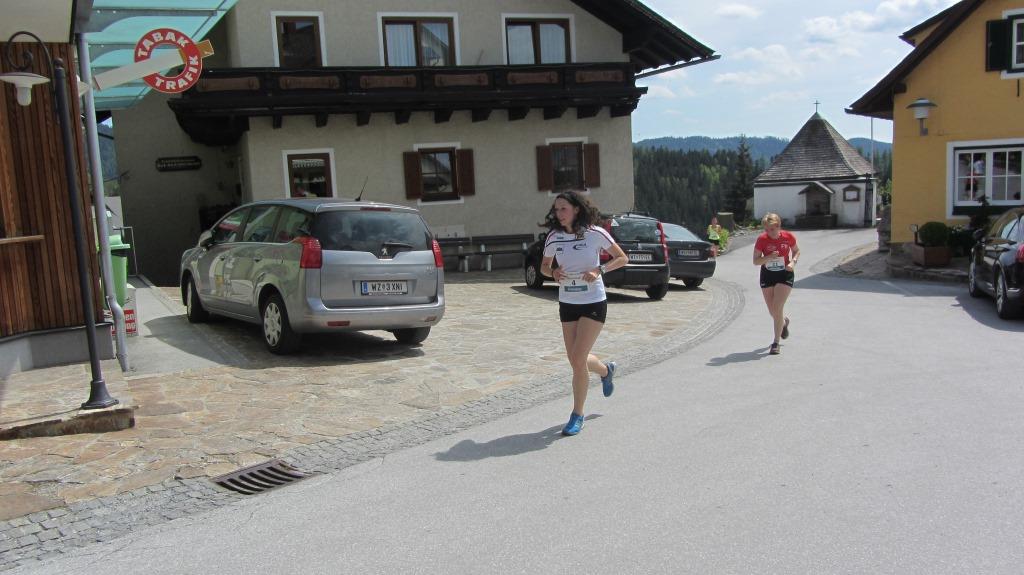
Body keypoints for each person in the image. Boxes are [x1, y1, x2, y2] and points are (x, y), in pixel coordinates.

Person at [540, 191, 628, 436]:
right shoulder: (554, 237)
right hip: (568, 302)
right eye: (556, 209)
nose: (559, 214)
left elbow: (622, 258)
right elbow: (544, 267)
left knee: (578, 359)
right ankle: (606, 371)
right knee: (576, 359)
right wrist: (553, 273)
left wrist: (599, 270)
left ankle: (577, 414)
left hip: (593, 302)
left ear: (576, 209)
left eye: (564, 209)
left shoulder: (595, 233)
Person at [752, 213, 799, 355]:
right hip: (767, 275)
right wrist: (768, 257)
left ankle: (776, 342)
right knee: (773, 311)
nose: (769, 233)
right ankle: (783, 323)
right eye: (766, 230)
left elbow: (796, 251)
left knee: (777, 307)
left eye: (772, 229)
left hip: (785, 273)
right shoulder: (762, 239)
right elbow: (756, 261)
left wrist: (793, 262)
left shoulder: (788, 237)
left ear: (778, 226)